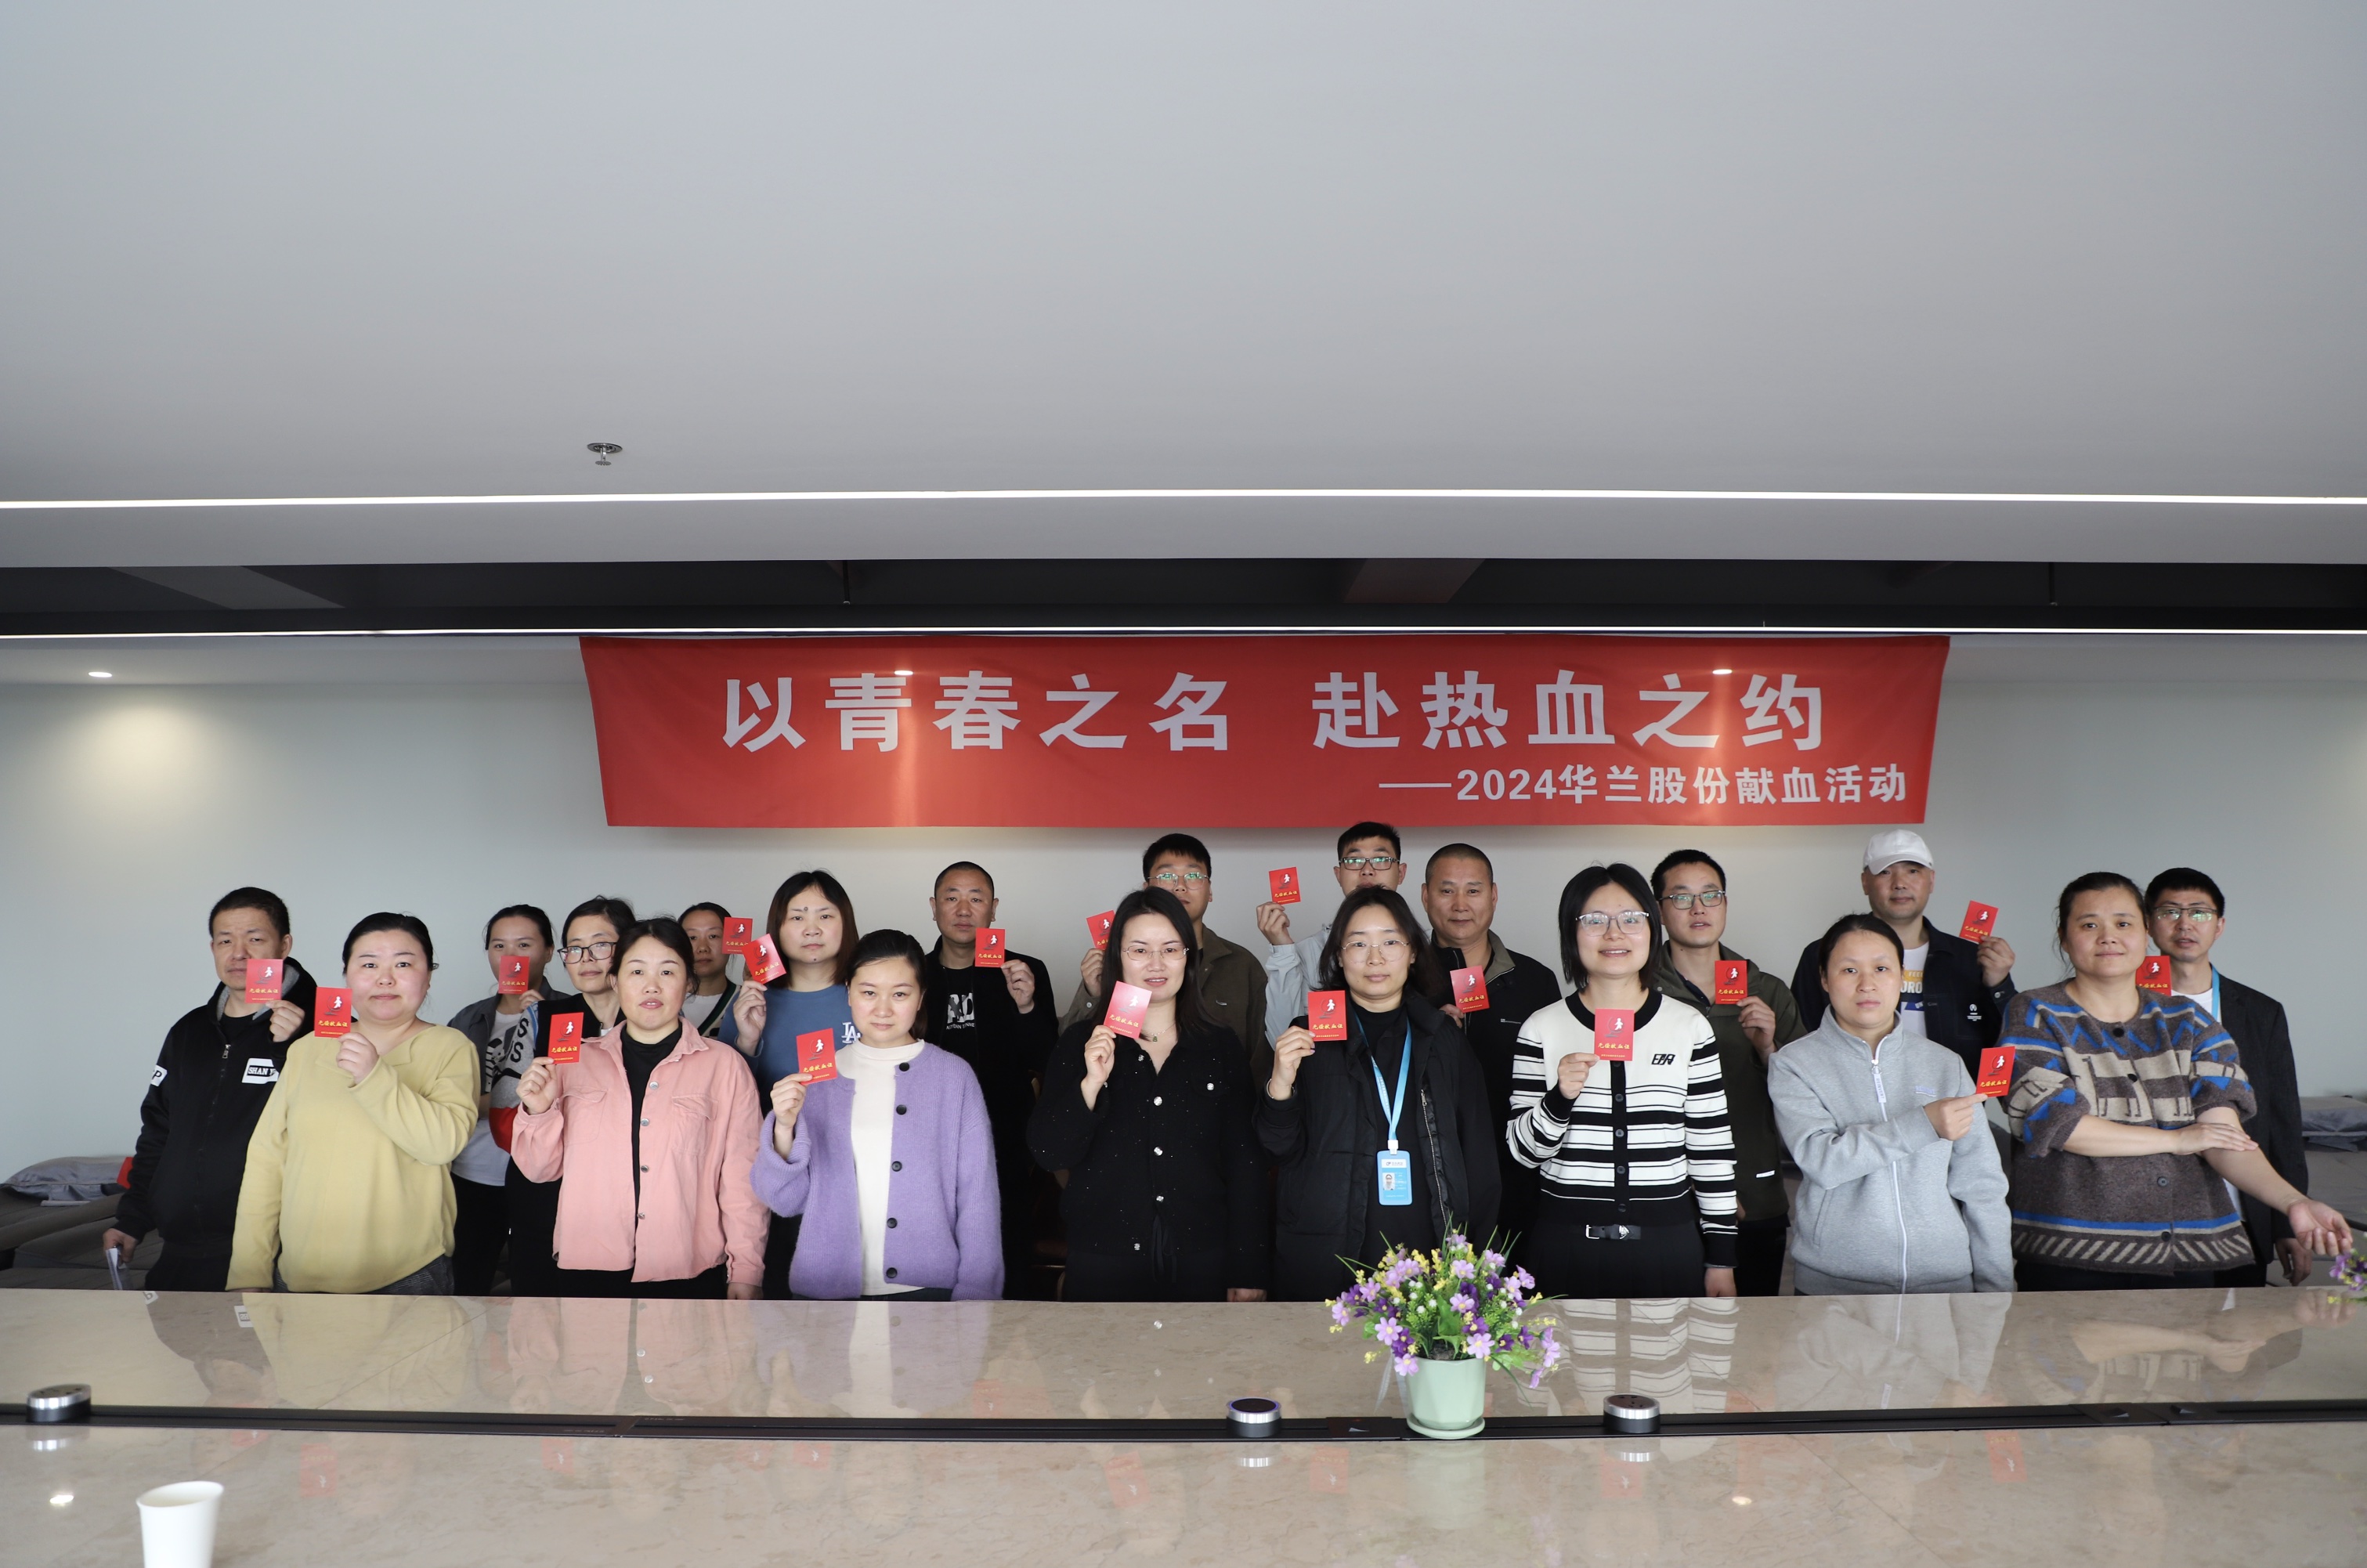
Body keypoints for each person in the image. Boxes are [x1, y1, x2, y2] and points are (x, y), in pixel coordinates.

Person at [2000, 873, 2352, 1290]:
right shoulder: (2033, 1012)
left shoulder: (2188, 1020)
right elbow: (2057, 1123)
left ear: (2146, 933)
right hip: (2071, 1253)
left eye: (2124, 923)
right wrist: (2179, 1139)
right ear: (2064, 936)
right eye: (2089, 924)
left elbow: (2222, 1136)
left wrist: (2294, 1202)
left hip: (2186, 1254)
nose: (2108, 936)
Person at [1256, 887, 1499, 1302]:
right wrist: (1280, 1083)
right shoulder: (1307, 1038)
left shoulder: (1443, 1038)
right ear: (1337, 956)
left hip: (1428, 1246)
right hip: (1327, 1251)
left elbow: (1479, 1158)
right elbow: (1275, 1149)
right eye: (1358, 944)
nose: (1375, 958)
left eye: (1390, 942)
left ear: (1413, 952)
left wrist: (1477, 1262)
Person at [1507, 864, 1738, 1299]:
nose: (1614, 934)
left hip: (1668, 1246)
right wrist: (1559, 1099)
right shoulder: (1541, 1028)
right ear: (1571, 933)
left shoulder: (1688, 1027)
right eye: (1594, 920)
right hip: (1566, 1246)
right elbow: (1524, 1154)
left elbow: (1711, 1151)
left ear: (1652, 928)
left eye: (1631, 919)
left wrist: (1722, 1258)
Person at [1030, 887, 1270, 1302]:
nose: (1156, 964)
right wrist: (1090, 1084)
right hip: (1103, 1259)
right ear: (1117, 958)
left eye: (1170, 949)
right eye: (1139, 950)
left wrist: (1248, 1268)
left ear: (1188, 957)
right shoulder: (1080, 1042)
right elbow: (1049, 1152)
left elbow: (1245, 1164)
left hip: (1201, 1258)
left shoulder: (1219, 1045)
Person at [512, 917, 767, 1299]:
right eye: (636, 971)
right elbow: (538, 1170)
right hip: (589, 1269)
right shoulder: (570, 1063)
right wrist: (538, 1112)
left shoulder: (725, 1066)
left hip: (687, 1269)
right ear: (615, 981)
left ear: (689, 982)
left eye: (667, 971)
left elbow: (743, 1182)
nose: (651, 985)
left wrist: (746, 1270)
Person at [226, 914, 478, 1294]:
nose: (385, 978)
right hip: (299, 1275)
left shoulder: (451, 1047)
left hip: (405, 1275)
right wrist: (249, 1271)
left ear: (428, 976)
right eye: (369, 964)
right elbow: (267, 1160)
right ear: (347, 975)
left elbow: (442, 1145)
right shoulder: (308, 1049)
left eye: (404, 964)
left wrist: (373, 1075)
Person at [750, 929, 1003, 1300]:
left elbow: (978, 1196)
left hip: (927, 1290)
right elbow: (785, 1201)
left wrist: (978, 1294)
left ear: (921, 998)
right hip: (827, 1295)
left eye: (900, 994)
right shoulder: (817, 1078)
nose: (883, 1010)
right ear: (849, 992)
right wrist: (783, 1128)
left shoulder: (953, 1076)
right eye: (869, 992)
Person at [1767, 914, 2013, 1294]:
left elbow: (1982, 1186)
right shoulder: (1794, 1064)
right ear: (1824, 979)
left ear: (1902, 976)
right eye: (1849, 970)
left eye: (1881, 968)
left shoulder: (1945, 1065)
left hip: (1944, 1286)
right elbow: (1822, 1161)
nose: (1867, 984)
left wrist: (1997, 1291)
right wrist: (1923, 1124)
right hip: (1833, 1288)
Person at [107, 888, 316, 1292]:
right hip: (180, 1251)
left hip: (277, 1257)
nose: (238, 954)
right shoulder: (188, 1032)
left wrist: (293, 1048)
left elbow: (340, 1131)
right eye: (225, 941)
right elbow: (158, 1133)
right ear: (213, 948)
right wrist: (131, 1220)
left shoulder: (325, 1030)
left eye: (255, 939)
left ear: (284, 946)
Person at [1647, 850, 1807, 1296]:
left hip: (1754, 1195)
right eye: (1681, 897)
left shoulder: (1767, 990)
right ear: (1659, 910)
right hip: (1664, 1200)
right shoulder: (1636, 992)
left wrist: (1768, 1049)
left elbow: (1810, 1101)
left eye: (1710, 895)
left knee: (1755, 1333)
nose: (1698, 908)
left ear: (1725, 904)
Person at [2144, 869, 2314, 1287]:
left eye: (2199, 913)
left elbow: (2282, 1121)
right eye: (2170, 912)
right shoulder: (2118, 1005)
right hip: (2151, 1214)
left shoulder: (2260, 1012)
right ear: (2149, 923)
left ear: (2219, 926)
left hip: (2241, 1208)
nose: (2185, 924)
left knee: (2241, 1327)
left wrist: (2286, 1223)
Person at [1418, 843, 1560, 1260]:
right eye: (1446, 890)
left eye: (1473, 891)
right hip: (1428, 1176)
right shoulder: (1401, 979)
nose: (1460, 904)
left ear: (1494, 896)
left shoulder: (1536, 981)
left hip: (1516, 1176)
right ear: (1425, 896)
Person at [725, 870, 862, 1298]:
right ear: (777, 929)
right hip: (779, 1180)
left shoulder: (867, 996)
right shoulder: (751, 1002)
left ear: (846, 924)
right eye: (797, 917)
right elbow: (729, 1101)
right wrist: (748, 1040)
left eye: (825, 915)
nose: (812, 928)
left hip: (858, 1176)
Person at [920, 862, 1055, 1288]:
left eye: (976, 898)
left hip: (1007, 1141)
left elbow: (1048, 1060)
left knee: (1008, 1254)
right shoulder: (913, 974)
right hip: (929, 1140)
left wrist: (1027, 1005)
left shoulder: (1026, 970)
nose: (964, 909)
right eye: (952, 897)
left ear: (993, 909)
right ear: (934, 907)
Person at [1790, 829, 2016, 1078]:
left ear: (1932, 880)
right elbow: (1801, 1040)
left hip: (1956, 1099)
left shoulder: (1973, 958)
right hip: (1854, 1099)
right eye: (1885, 872)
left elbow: (2011, 1043)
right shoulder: (1821, 954)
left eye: (1913, 871)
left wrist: (1999, 985)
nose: (1900, 883)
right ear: (1865, 882)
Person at [507, 896, 634, 1296]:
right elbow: (512, 1106)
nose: (586, 958)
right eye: (574, 948)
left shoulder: (653, 1023)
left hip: (619, 1194)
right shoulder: (544, 1017)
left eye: (600, 944)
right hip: (546, 1188)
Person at [444, 905, 569, 1295]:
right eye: (499, 945)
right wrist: (486, 1105)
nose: (510, 956)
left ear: (549, 952)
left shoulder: (568, 1013)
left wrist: (541, 1021)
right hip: (473, 1172)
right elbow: (443, 1096)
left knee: (538, 1289)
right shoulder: (467, 1019)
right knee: (467, 1284)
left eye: (524, 945)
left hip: (544, 1176)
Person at [1060, 833, 1270, 1062]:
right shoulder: (1125, 962)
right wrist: (1093, 995)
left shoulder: (1241, 965)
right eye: (1167, 876)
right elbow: (1071, 1052)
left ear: (1210, 890)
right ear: (1147, 889)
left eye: (1193, 876)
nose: (1180, 887)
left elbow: (1260, 1057)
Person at [1257, 822, 1409, 1036]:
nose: (1367, 870)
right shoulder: (1308, 952)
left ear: (1401, 872)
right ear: (1338, 874)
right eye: (1354, 861)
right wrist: (1282, 950)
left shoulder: (1423, 943)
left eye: (1380, 860)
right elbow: (1281, 1038)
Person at [679, 903, 739, 1038]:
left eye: (713, 936)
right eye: (692, 938)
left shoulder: (748, 1000)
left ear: (731, 941)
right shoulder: (663, 999)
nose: (703, 948)